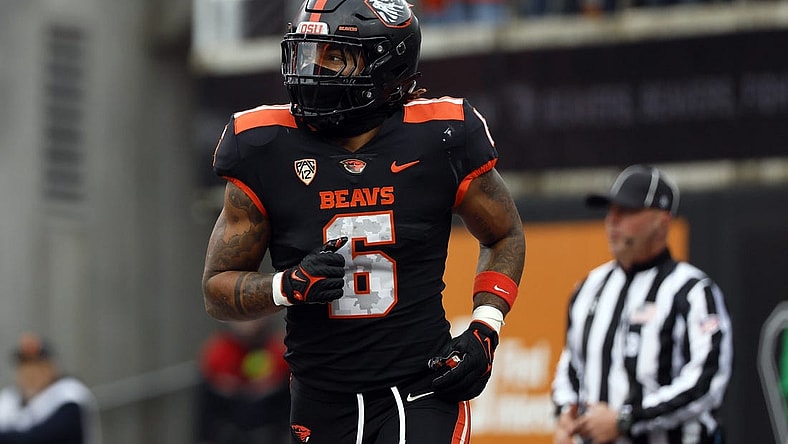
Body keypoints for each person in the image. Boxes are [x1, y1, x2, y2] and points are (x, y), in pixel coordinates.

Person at [201, 0, 526, 443]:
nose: (312, 69)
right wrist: (286, 286)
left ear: (386, 65)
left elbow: (504, 233)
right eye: (308, 52)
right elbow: (217, 289)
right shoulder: (262, 145)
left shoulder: (443, 136)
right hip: (321, 397)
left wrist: (486, 325)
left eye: (333, 57)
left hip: (419, 388)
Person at [551, 165, 733, 444]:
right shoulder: (589, 287)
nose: (612, 220)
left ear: (662, 221)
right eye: (610, 211)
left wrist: (626, 420)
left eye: (626, 211)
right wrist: (566, 413)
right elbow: (571, 367)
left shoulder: (693, 291)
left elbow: (707, 381)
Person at [195, 317, 291, 444]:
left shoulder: (279, 354)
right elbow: (206, 414)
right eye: (240, 317)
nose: (247, 324)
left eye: (252, 316)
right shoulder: (217, 355)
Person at [0, 333, 101, 444]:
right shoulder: (9, 398)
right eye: (25, 366)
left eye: (37, 366)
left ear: (52, 368)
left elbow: (44, 437)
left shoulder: (69, 392)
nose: (30, 373)